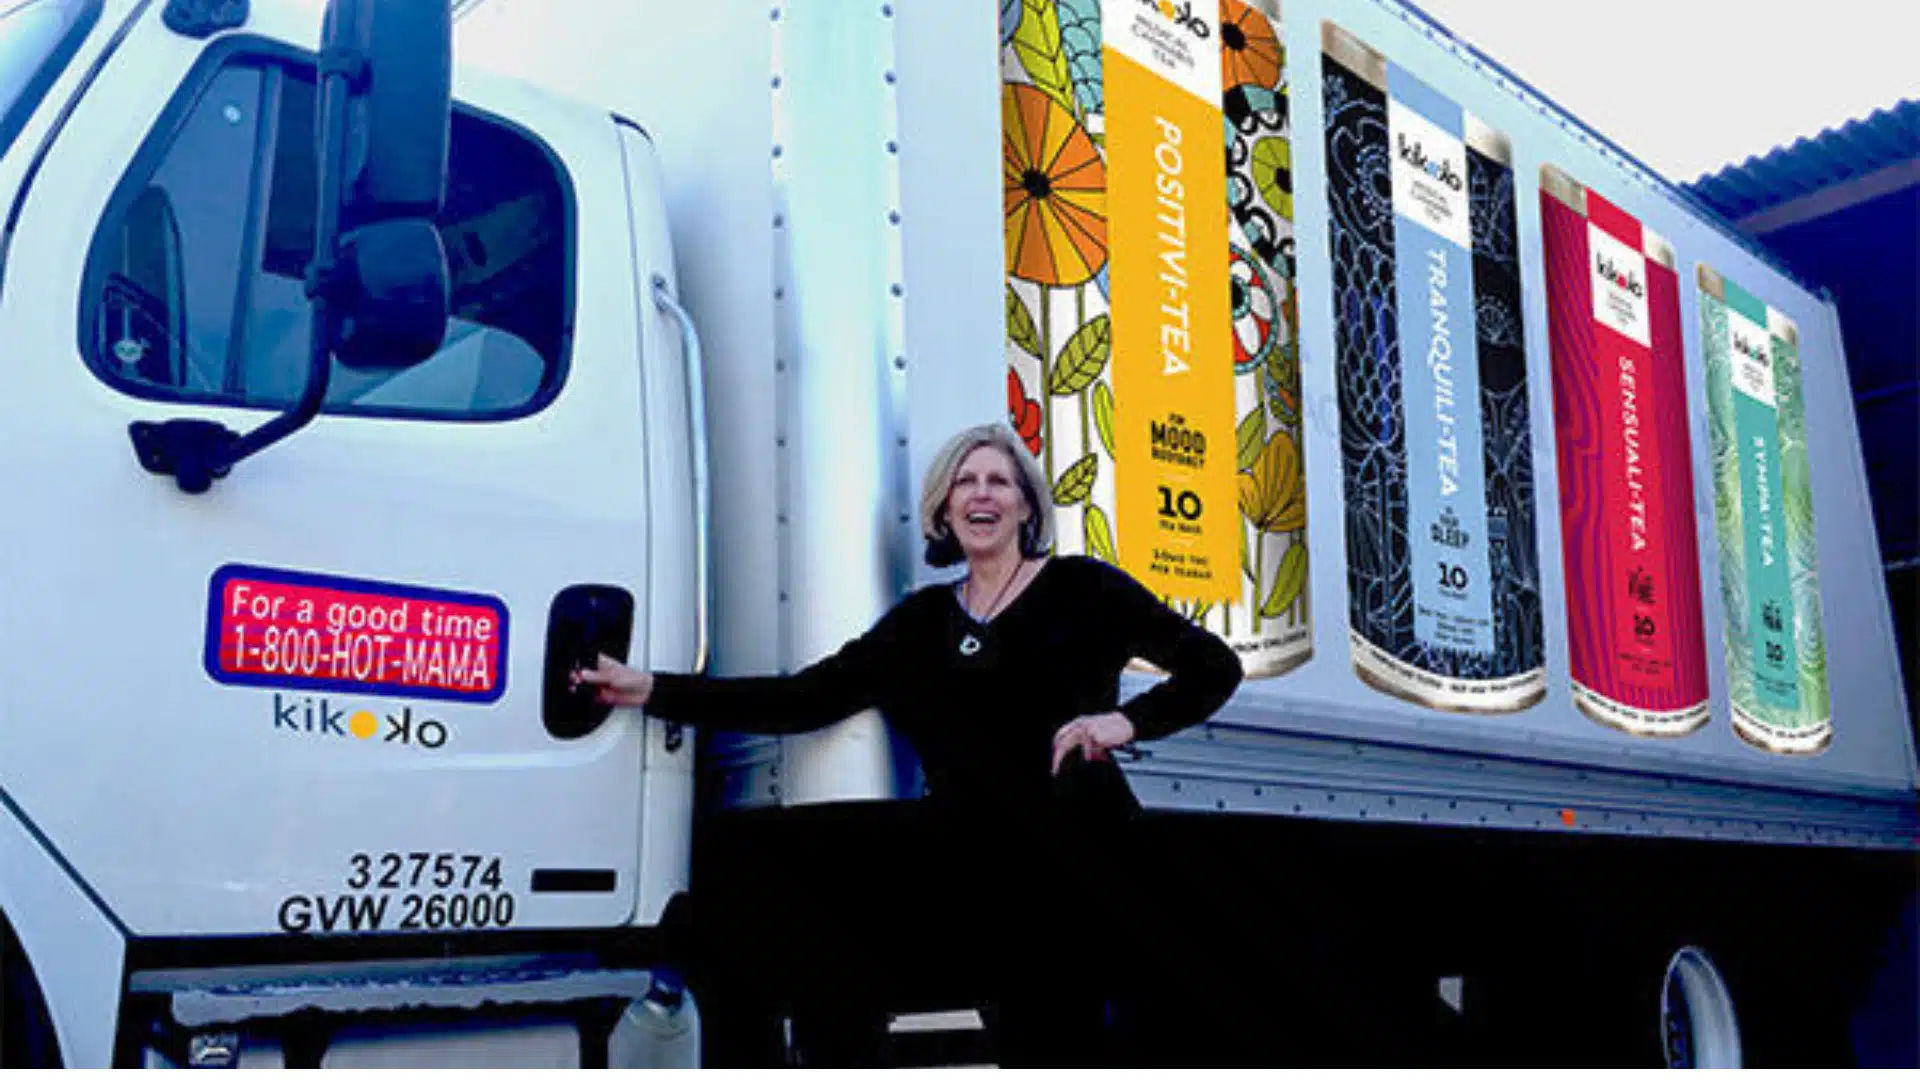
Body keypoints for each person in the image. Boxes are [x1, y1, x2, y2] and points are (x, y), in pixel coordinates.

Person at [575, 421, 1243, 1064]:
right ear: (943, 509)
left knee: (1066, 1041)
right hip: (973, 871)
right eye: (964, 483)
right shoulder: (921, 624)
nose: (981, 495)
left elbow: (1213, 666)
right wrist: (653, 689)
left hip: (1076, 859)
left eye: (999, 483)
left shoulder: (1084, 588)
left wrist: (1123, 723)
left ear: (1026, 507)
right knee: (763, 869)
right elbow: (806, 698)